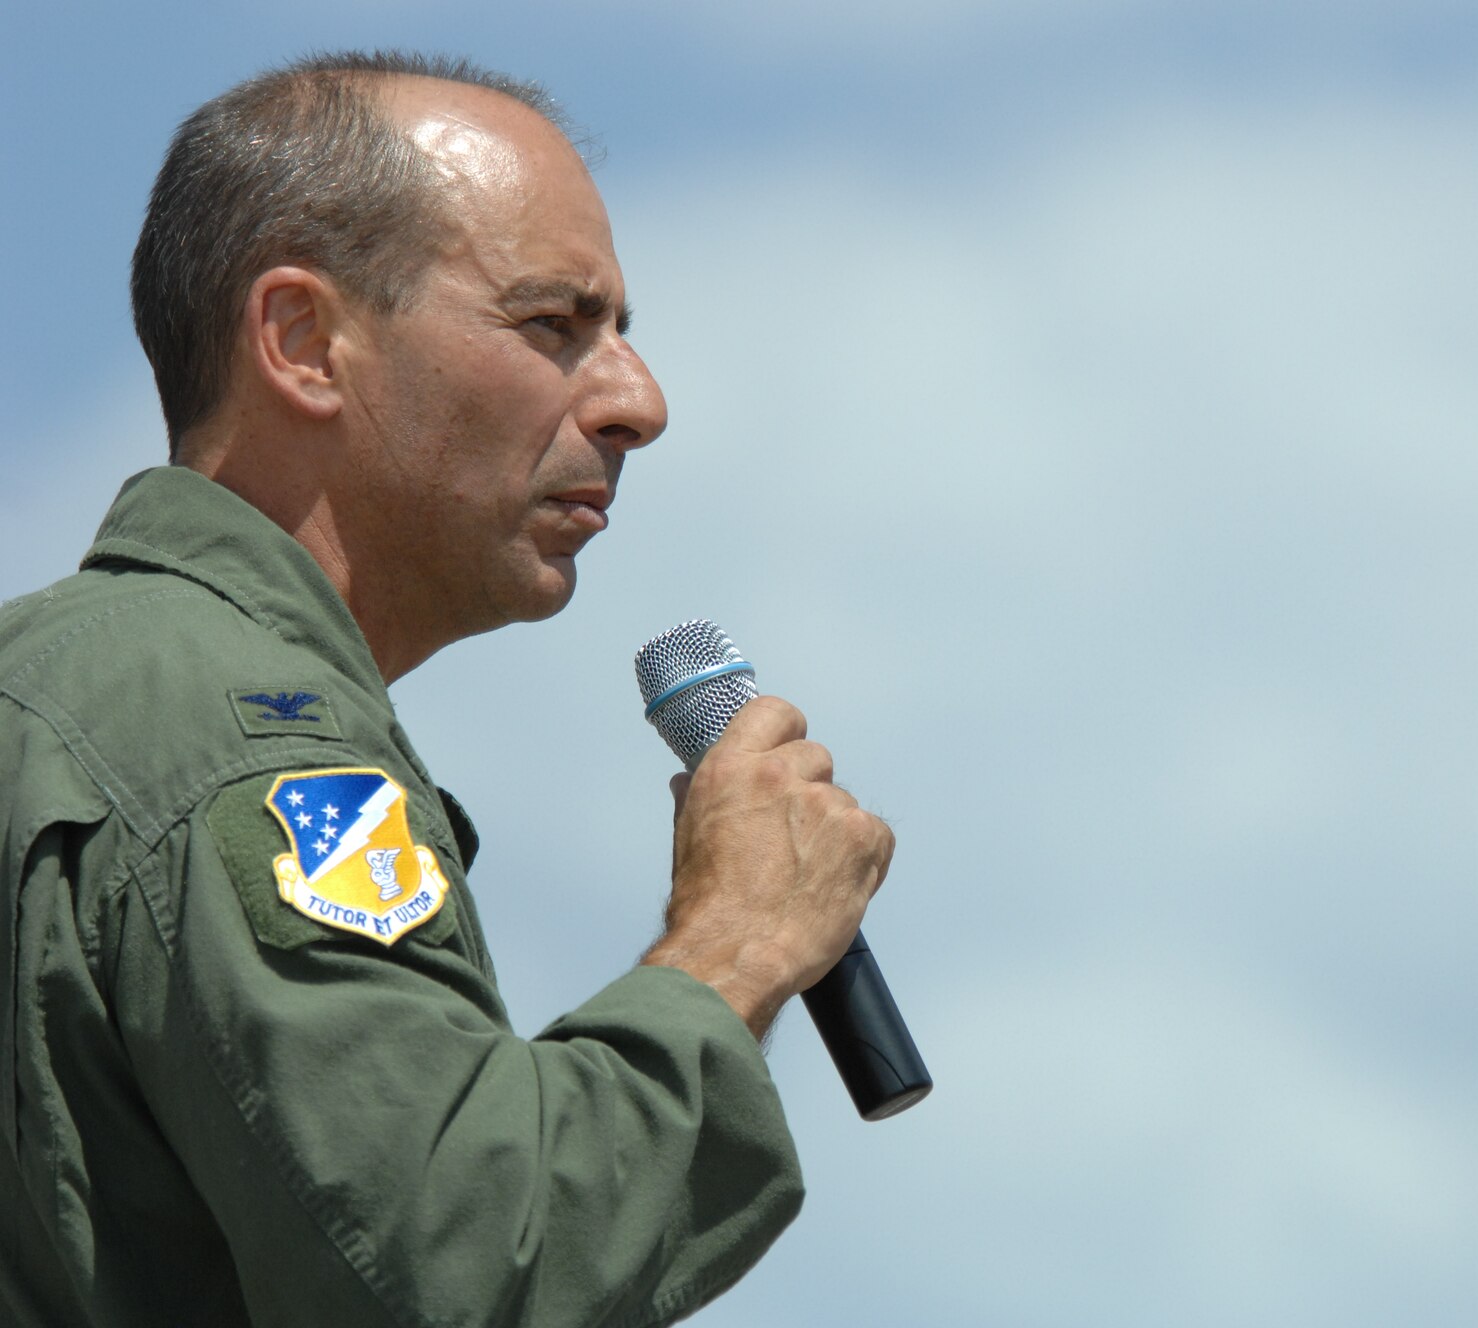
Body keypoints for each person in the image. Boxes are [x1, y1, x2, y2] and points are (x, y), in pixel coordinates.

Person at [0, 51, 896, 1327]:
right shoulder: (239, 735)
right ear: (304, 342)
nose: (637, 402)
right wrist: (738, 943)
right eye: (552, 326)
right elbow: (457, 1268)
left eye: (622, 336)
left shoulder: (66, 689)